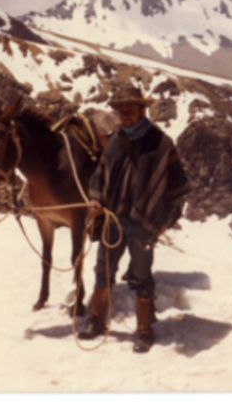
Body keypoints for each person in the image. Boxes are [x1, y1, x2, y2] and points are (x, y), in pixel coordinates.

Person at [79, 84, 191, 353]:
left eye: (130, 110)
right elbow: (99, 177)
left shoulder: (161, 143)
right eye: (121, 110)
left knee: (141, 276)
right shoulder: (116, 141)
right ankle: (96, 320)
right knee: (103, 271)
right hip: (113, 219)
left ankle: (143, 330)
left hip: (144, 224)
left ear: (143, 110)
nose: (125, 114)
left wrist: (167, 219)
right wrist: (95, 199)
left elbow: (177, 187)